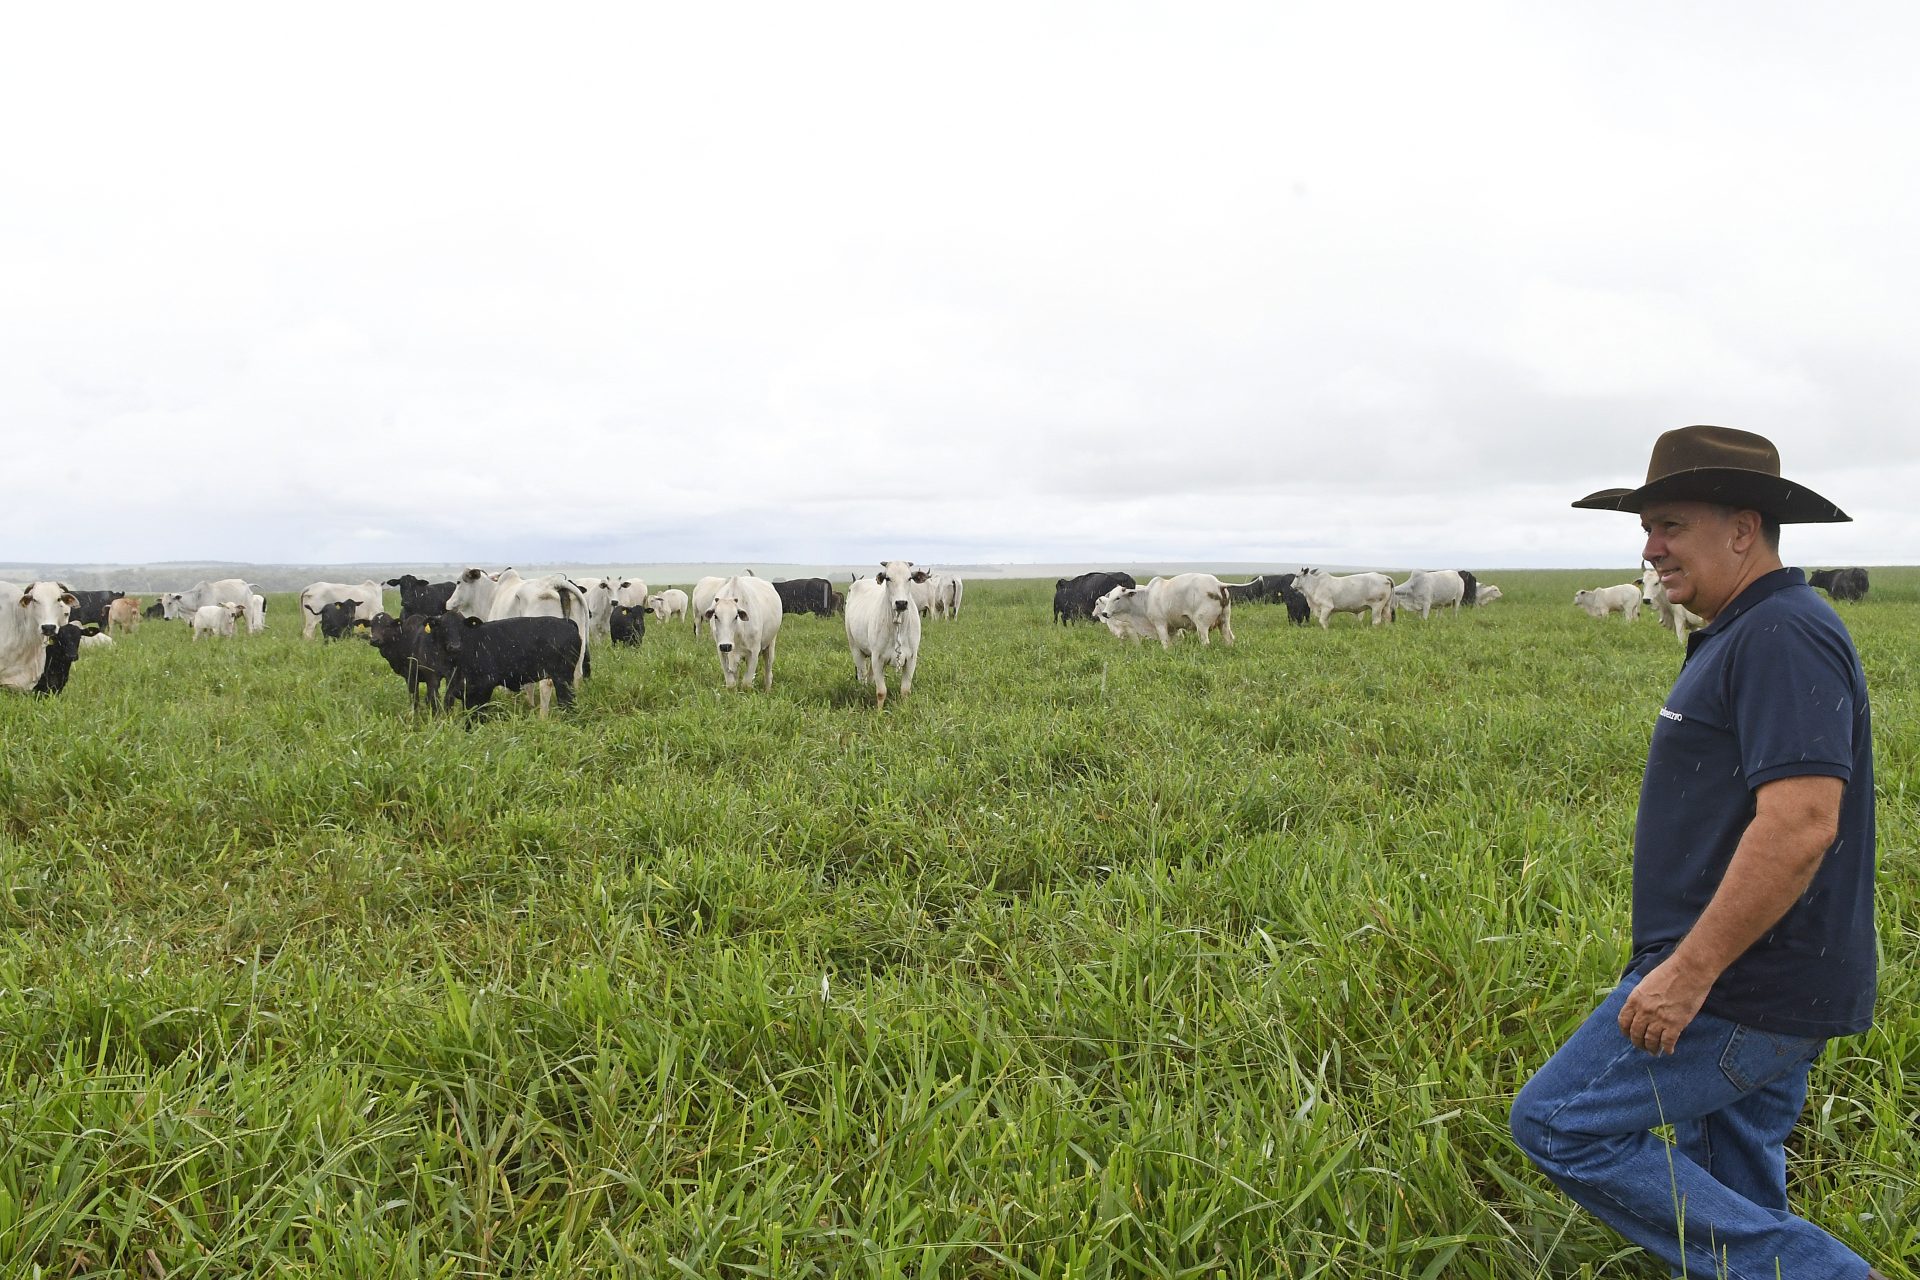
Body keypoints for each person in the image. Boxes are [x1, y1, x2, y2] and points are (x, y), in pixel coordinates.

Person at [1510, 425, 1884, 1278]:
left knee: (1557, 1121)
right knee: (1735, 1193)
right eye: (1647, 529)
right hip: (1758, 977)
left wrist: (1687, 973)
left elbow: (1800, 826)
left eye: (1670, 524)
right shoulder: (1745, 628)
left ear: (1743, 528)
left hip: (1740, 984)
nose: (1650, 549)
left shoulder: (1783, 634)